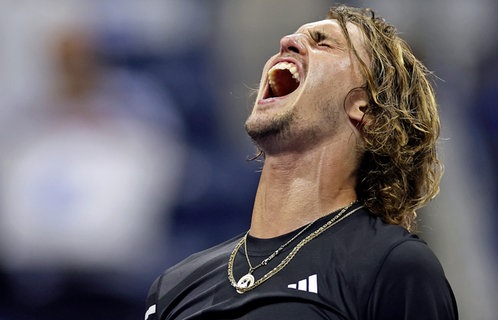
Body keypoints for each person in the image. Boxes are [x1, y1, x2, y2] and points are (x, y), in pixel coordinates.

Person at [145, 5, 458, 319]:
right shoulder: (175, 284)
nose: (286, 41)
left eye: (322, 43)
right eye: (294, 37)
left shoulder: (391, 266)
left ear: (365, 109)